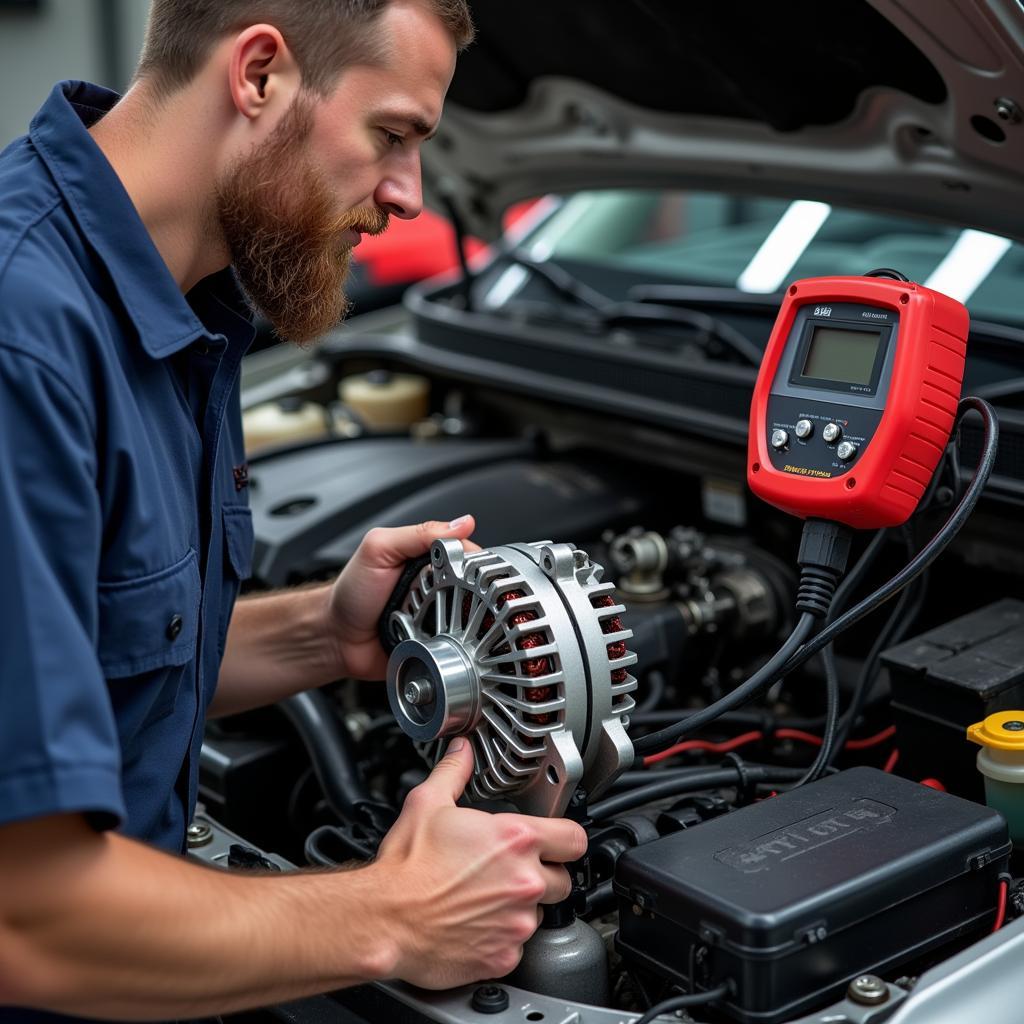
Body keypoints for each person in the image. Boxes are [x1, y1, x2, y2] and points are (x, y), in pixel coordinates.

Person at [0, 1, 586, 1020]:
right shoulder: (26, 347)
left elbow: (89, 665)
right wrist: (395, 914)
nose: (407, 195)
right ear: (259, 73)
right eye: (392, 135)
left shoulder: (189, 293)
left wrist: (323, 632)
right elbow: (26, 914)